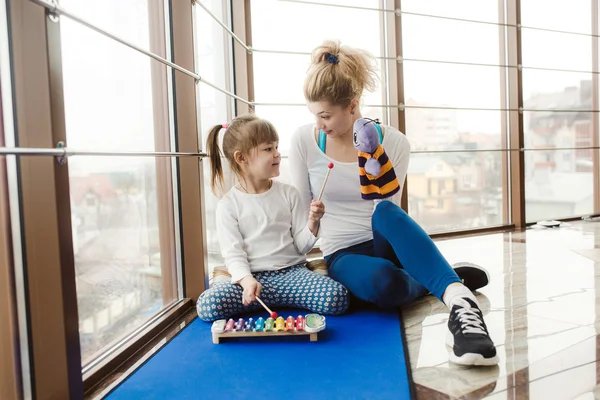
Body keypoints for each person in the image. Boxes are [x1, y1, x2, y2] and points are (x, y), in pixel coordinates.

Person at [288, 40, 498, 366]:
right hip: (343, 252)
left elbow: (390, 212)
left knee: (385, 209)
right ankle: (438, 278)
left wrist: (371, 159)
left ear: (353, 105)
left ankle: (459, 300)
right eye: (315, 115)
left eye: (326, 115)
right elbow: (303, 214)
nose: (319, 124)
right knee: (384, 285)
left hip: (385, 238)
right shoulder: (304, 140)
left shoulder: (395, 143)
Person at [196, 114, 349, 322]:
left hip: (292, 275)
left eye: (276, 147)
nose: (277, 154)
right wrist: (247, 281)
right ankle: (233, 279)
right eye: (268, 149)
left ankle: (277, 294)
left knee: (337, 298)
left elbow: (301, 247)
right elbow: (234, 253)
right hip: (252, 279)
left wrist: (313, 222)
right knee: (208, 307)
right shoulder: (228, 204)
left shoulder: (289, 194)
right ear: (242, 158)